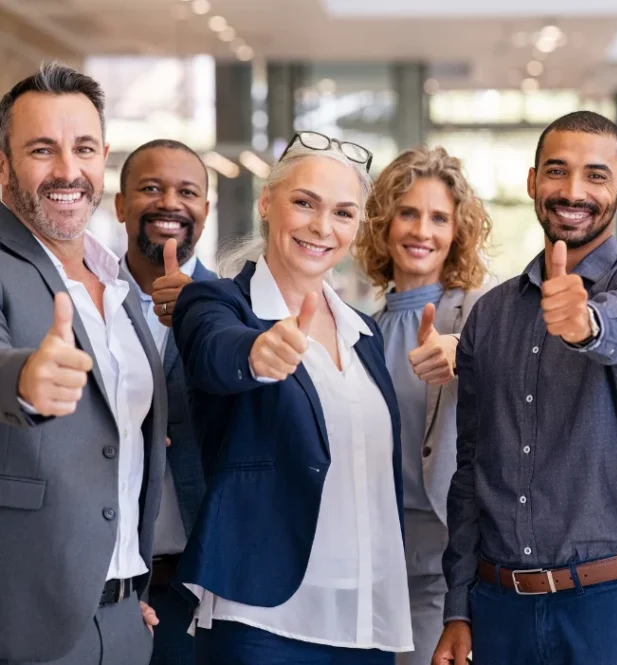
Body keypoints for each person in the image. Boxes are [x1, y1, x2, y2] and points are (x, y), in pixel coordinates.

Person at [431, 111, 617, 665]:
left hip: (607, 611)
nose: (573, 191)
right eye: (557, 172)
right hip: (498, 612)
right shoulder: (489, 315)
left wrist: (585, 322)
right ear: (532, 181)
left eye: (595, 175)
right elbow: (468, 469)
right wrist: (458, 608)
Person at [171, 131, 413, 664]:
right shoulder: (218, 303)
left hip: (362, 616)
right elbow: (215, 352)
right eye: (304, 203)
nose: (322, 227)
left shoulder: (362, 333)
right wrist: (257, 353)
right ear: (267, 203)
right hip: (261, 616)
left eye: (343, 213)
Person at [0, 63, 166, 664]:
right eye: (42, 150)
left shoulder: (117, 281)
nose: (67, 171)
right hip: (20, 630)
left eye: (84, 148)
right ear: (3, 165)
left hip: (124, 620)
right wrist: (21, 378)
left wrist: (128, 591)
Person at [354, 146, 492, 665]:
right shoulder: (360, 326)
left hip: (445, 555)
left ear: (458, 231)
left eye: (439, 218)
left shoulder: (479, 313)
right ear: (385, 223)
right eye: (408, 213)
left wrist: (466, 355)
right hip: (368, 548)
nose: (421, 231)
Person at [115, 138, 218, 665]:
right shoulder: (85, 299)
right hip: (101, 587)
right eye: (150, 188)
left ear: (205, 209)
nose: (169, 203)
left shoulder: (237, 312)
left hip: (199, 588)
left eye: (187, 192)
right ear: (119, 204)